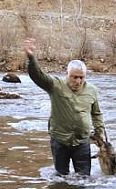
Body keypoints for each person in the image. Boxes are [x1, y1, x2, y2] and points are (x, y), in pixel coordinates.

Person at [23, 37, 105, 176]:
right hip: (60, 140)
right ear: (67, 74)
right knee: (61, 178)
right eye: (74, 77)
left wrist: (100, 132)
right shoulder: (56, 86)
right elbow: (38, 76)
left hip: (82, 141)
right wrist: (31, 59)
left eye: (81, 77)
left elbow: (96, 114)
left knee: (84, 179)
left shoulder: (92, 91)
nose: (78, 81)